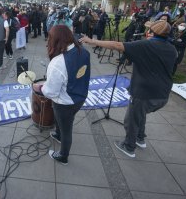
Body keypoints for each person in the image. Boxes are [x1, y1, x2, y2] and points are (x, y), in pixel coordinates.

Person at [80, 20, 177, 158]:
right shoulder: (172, 49)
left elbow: (116, 45)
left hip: (144, 93)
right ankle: (140, 138)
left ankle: (129, 147)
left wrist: (91, 40)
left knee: (131, 119)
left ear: (151, 33)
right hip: (163, 95)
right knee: (140, 114)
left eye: (148, 30)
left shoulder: (146, 45)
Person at [33, 25, 91, 165]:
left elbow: (51, 92)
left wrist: (40, 87)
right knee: (63, 121)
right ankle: (58, 135)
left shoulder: (58, 62)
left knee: (66, 129)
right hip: (80, 97)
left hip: (65, 102)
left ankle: (63, 156)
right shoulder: (83, 52)